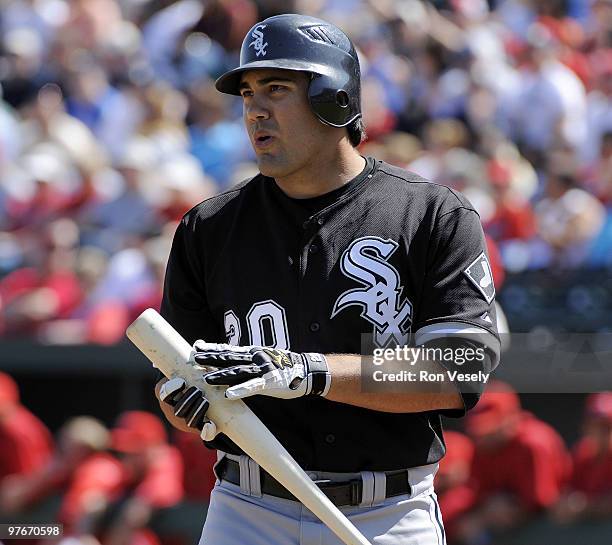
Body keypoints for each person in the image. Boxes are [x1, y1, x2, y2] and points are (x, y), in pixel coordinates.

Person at [155, 13, 500, 545]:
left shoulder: (432, 215)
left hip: (385, 511)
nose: (255, 110)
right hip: (247, 509)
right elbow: (174, 384)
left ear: (334, 98)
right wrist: (183, 403)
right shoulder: (208, 229)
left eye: (276, 88)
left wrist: (310, 372)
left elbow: (457, 370)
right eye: (247, 93)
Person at [454, 381, 569, 544]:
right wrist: (487, 508)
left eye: (492, 429)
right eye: (480, 431)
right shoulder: (481, 446)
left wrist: (497, 510)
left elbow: (543, 504)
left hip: (554, 525)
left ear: (512, 418)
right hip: (510, 522)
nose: (483, 437)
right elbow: (477, 493)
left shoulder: (533, 443)